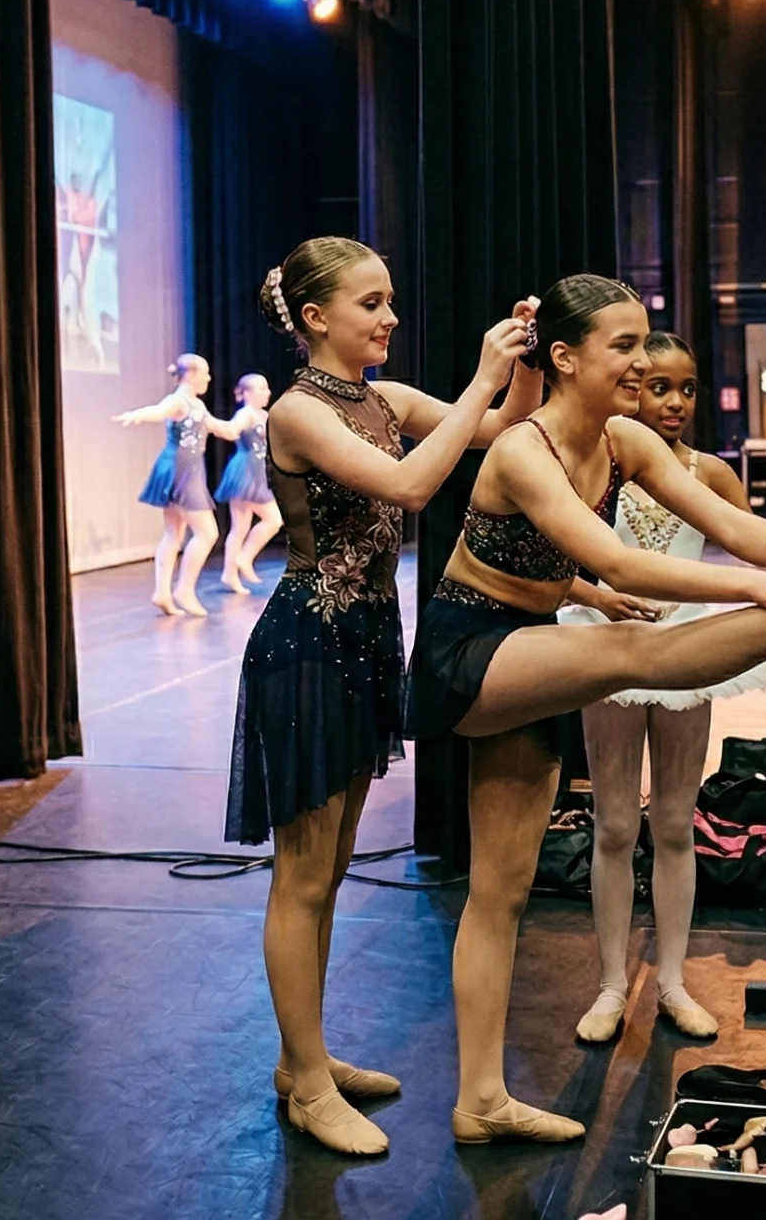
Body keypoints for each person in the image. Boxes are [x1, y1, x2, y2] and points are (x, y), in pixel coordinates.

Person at [408, 274, 766, 1145]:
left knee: (499, 894)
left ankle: (480, 1099)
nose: (642, 362)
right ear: (566, 358)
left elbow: (733, 521)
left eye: (645, 343)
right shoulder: (523, 451)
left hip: (529, 648)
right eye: (624, 346)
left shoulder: (620, 441)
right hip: (470, 653)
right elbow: (625, 566)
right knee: (632, 652)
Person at [226, 237, 545, 1157]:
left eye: (392, 300)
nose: (391, 317)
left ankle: (306, 1058)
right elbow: (413, 482)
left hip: (365, 642)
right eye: (372, 303)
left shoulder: (386, 401)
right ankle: (306, 1082)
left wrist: (515, 360)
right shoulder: (297, 413)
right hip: (305, 649)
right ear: (316, 318)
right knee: (305, 873)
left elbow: (501, 431)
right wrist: (484, 380)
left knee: (329, 872)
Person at [558, 333, 766, 1046]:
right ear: (631, 385)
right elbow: (549, 557)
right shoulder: (597, 463)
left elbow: (755, 540)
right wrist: (596, 596)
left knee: (674, 822)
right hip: (606, 645)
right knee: (612, 823)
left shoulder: (711, 472)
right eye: (658, 386)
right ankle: (611, 982)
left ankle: (670, 978)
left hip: (686, 653)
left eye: (687, 387)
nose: (673, 402)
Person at [118, 355, 254, 617]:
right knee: (207, 533)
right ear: (190, 375)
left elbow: (222, 429)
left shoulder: (196, 405)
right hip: (181, 468)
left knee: (174, 532)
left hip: (182, 466)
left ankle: (162, 592)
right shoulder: (178, 401)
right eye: (205, 373)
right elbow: (159, 410)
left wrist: (248, 421)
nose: (209, 378)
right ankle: (184, 590)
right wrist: (137, 415)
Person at [213, 373, 284, 594]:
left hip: (258, 470)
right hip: (246, 470)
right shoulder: (246, 415)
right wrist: (214, 425)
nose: (267, 393)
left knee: (241, 526)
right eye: (261, 389)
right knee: (273, 519)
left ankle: (229, 573)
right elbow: (232, 429)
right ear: (246, 393)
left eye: (267, 388)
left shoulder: (263, 414)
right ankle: (243, 558)